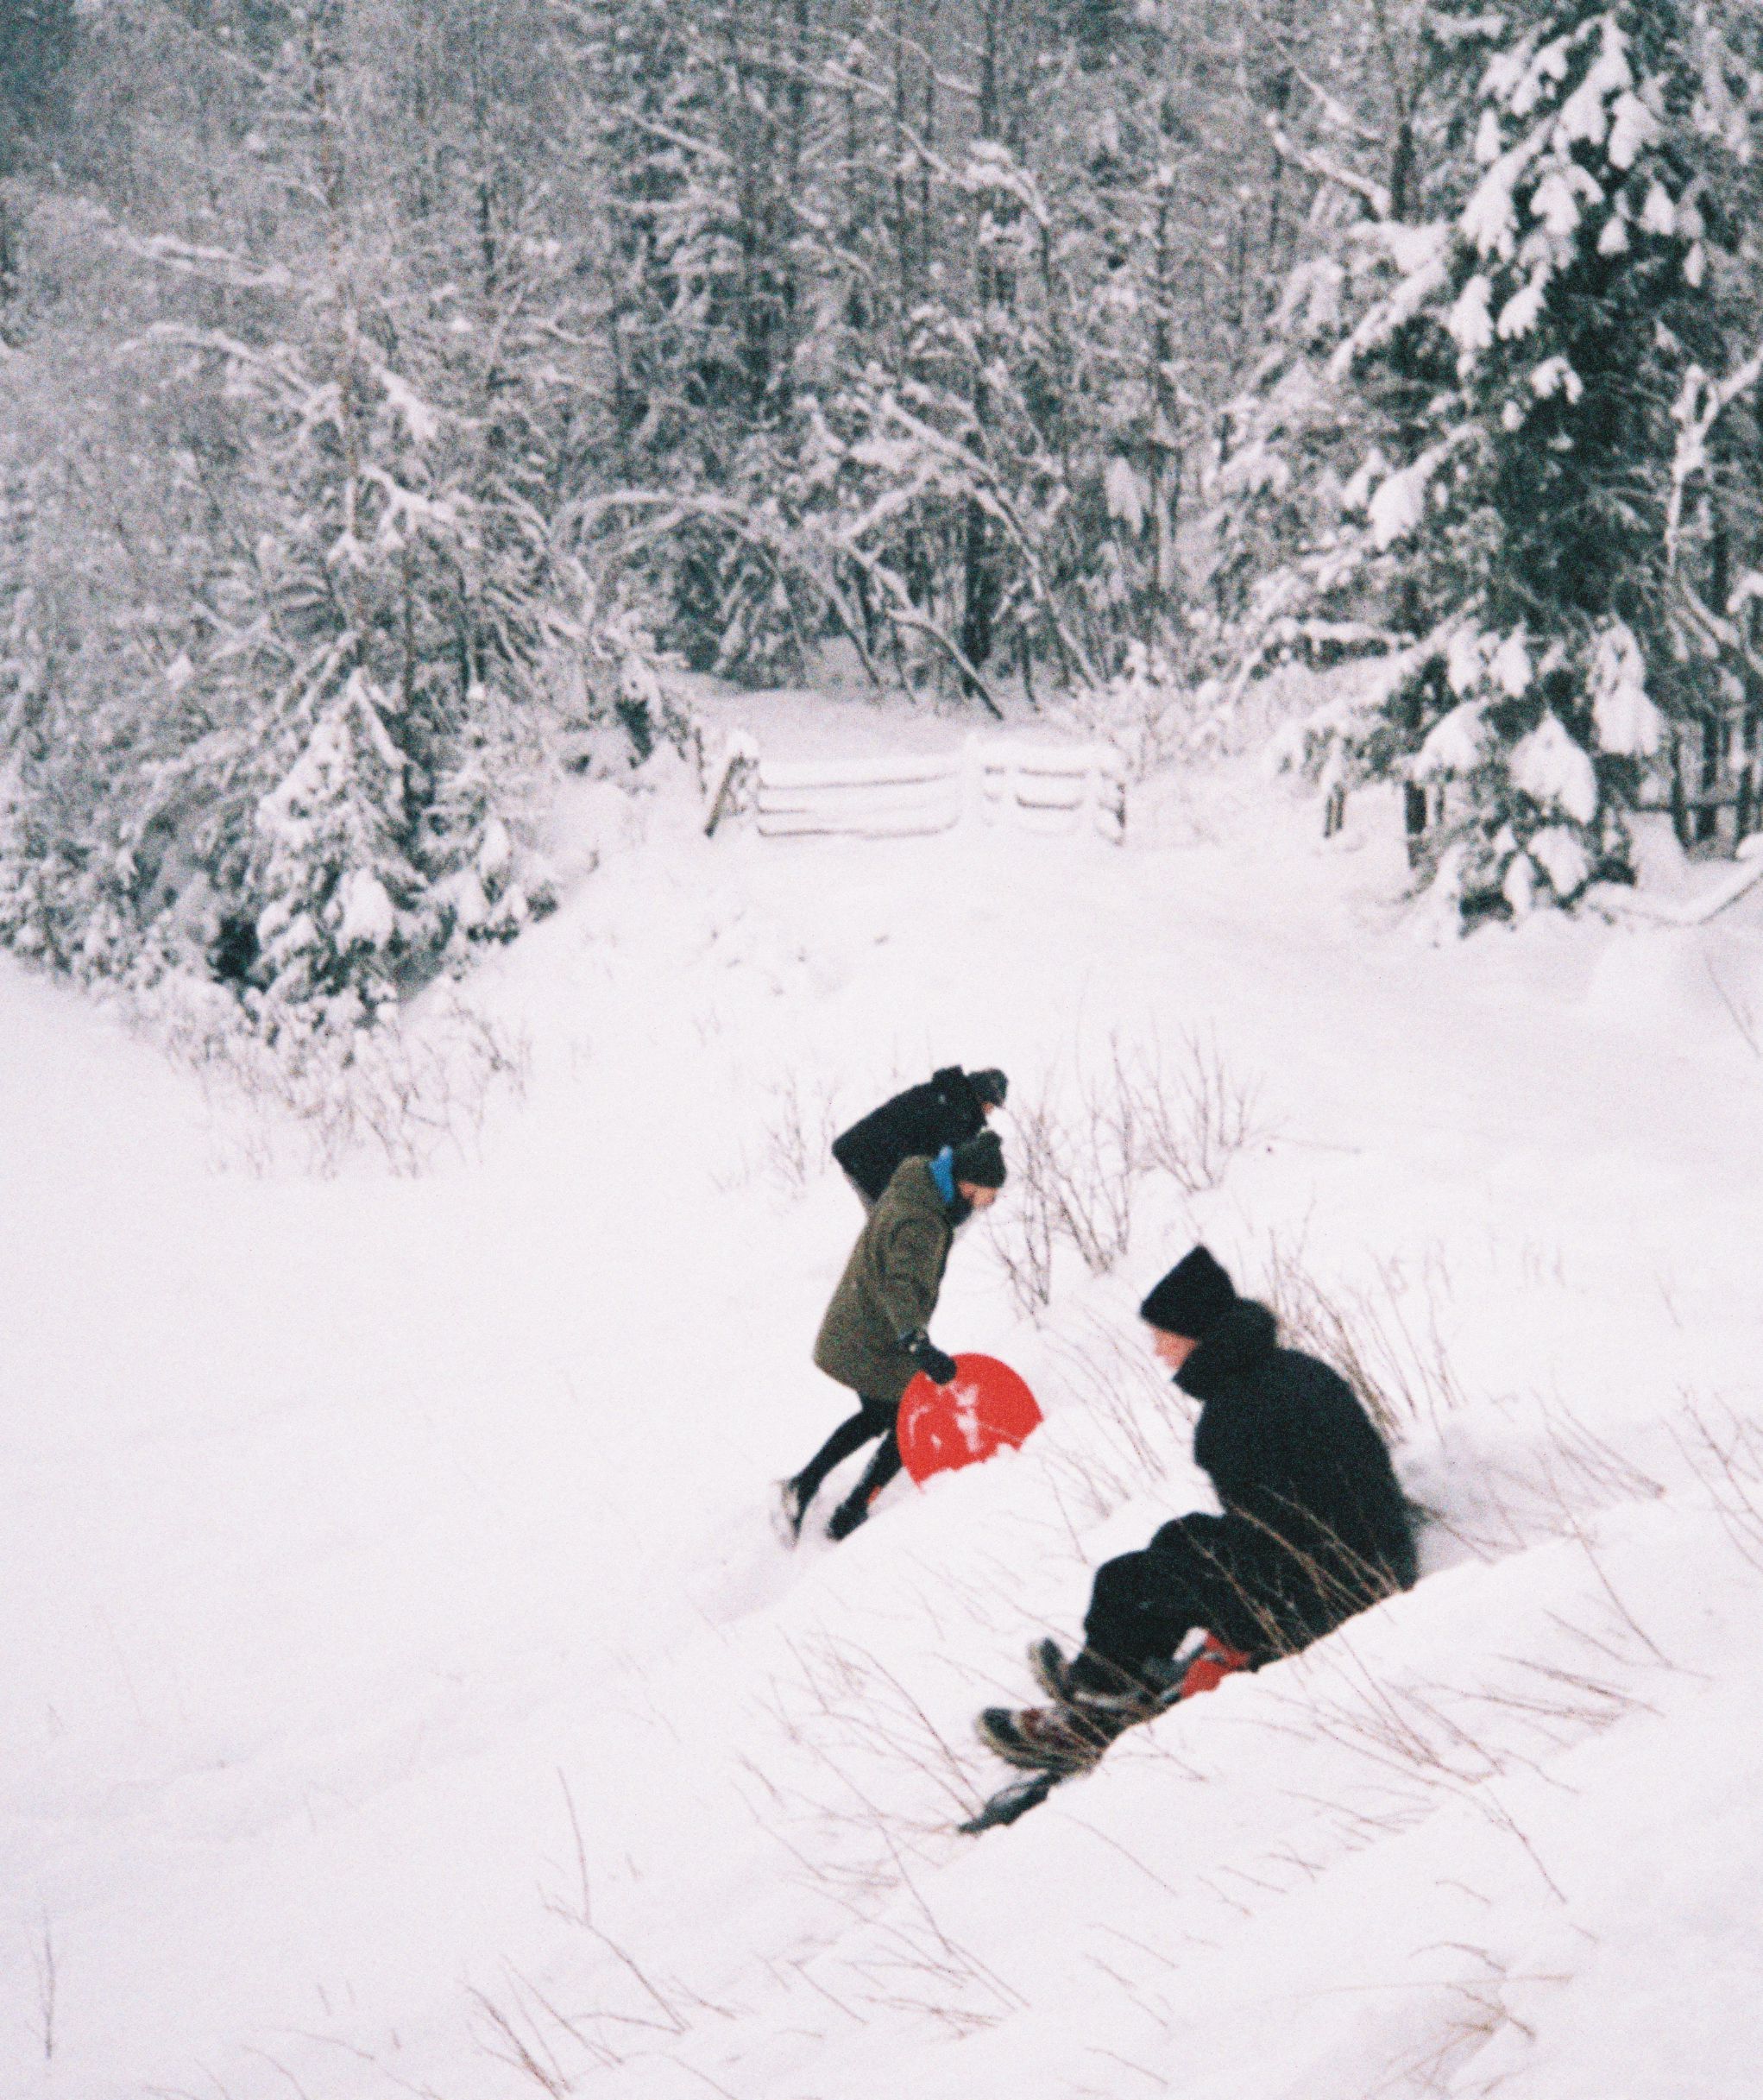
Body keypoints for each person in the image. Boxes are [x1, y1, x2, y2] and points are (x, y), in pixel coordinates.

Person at [979, 1245, 1416, 1773]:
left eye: (1164, 1336)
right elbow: (1287, 1518)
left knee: (1126, 1581)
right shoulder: (1288, 1371)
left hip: (1331, 1593)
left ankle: (1092, 1715)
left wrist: (1232, 1647)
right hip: (1371, 1557)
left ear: (1196, 1335)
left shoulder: (1233, 1416)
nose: (1160, 1352)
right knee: (1179, 1539)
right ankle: (1112, 1671)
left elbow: (1269, 1553)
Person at [780, 1129, 1007, 1543]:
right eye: (989, 1195)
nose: (988, 1205)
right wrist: (917, 1342)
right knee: (909, 1418)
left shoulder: (919, 1182)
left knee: (882, 1415)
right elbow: (900, 1285)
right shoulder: (922, 1221)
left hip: (864, 1322)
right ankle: (848, 1511)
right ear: (968, 1185)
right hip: (872, 1336)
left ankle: (806, 1488)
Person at [832, 1067, 1007, 1208]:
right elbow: (942, 1165)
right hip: (869, 1161)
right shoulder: (956, 1112)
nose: (990, 1112)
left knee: (888, 1230)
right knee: (890, 1231)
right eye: (992, 1106)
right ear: (983, 1098)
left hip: (863, 1153)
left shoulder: (950, 1096)